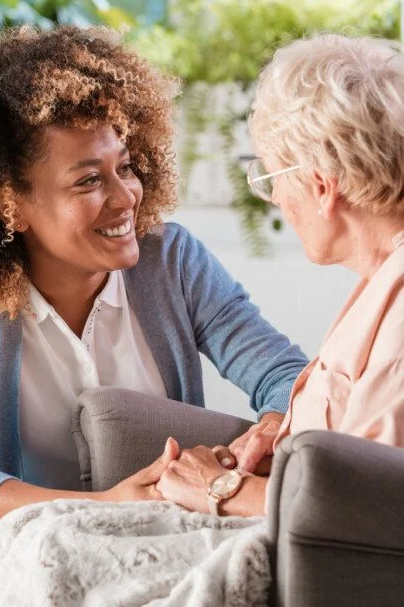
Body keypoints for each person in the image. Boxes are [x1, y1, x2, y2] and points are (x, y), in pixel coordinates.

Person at [0, 25, 307, 607]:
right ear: (10, 206)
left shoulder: (171, 261)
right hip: (17, 541)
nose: (126, 197)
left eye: (124, 166)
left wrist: (271, 429)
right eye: (89, 180)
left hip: (157, 537)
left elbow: (289, 377)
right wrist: (101, 508)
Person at [157, 33, 404, 518]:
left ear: (320, 187)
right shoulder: (380, 278)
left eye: (269, 179)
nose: (274, 200)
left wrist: (219, 488)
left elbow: (373, 509)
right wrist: (288, 440)